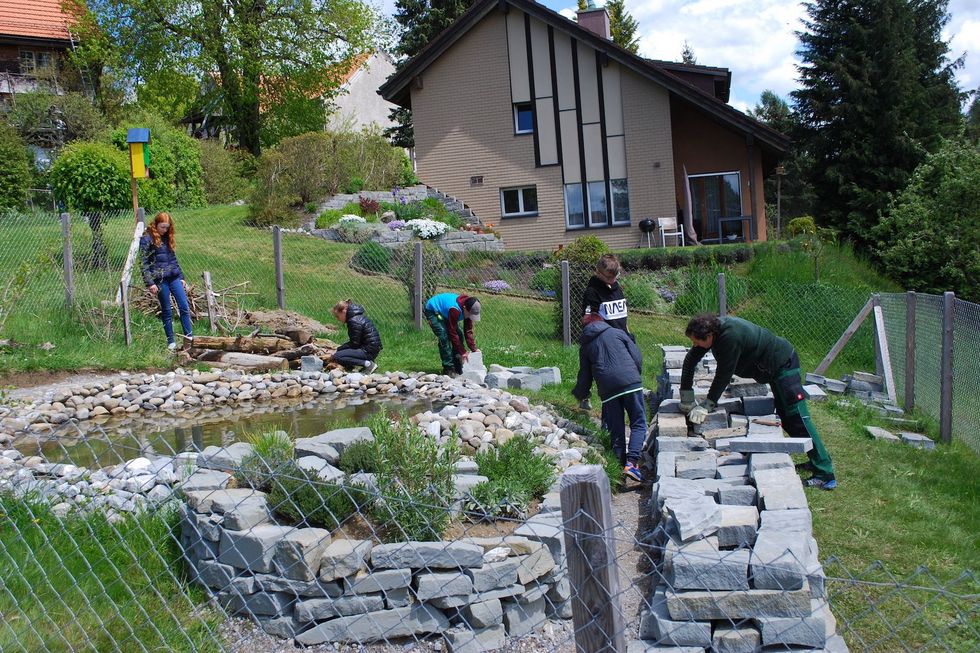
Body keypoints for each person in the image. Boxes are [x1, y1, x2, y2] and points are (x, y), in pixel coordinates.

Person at [679, 314, 837, 490]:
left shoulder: (730, 337)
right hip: (772, 369)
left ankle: (825, 473)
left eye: (696, 342)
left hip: (783, 365)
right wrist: (686, 395)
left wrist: (707, 405)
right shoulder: (713, 331)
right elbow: (690, 360)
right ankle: (814, 460)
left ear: (708, 336)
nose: (695, 346)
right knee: (787, 418)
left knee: (797, 418)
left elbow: (723, 375)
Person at [572, 313, 646, 483]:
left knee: (616, 429)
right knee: (638, 422)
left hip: (608, 390)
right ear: (601, 322)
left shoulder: (585, 347)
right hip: (631, 382)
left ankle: (620, 470)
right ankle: (632, 463)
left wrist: (581, 394)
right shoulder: (617, 332)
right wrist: (634, 374)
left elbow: (585, 376)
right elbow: (637, 357)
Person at [140, 212, 193, 351]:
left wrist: (181, 277)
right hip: (160, 279)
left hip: (174, 276)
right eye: (162, 227)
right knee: (167, 310)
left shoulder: (167, 237)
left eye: (167, 227)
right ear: (156, 224)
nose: (165, 230)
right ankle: (171, 341)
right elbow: (143, 263)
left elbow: (173, 259)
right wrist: (150, 283)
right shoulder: (147, 239)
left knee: (184, 306)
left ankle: (189, 338)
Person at [424, 293, 481, 376]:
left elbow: (468, 330)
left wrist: (473, 348)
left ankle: (458, 366)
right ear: (464, 308)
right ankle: (449, 368)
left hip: (446, 312)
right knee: (444, 336)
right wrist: (462, 351)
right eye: (470, 314)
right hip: (433, 309)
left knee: (460, 335)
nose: (470, 317)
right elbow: (452, 332)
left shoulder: (469, 308)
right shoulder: (455, 309)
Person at [583, 253, 633, 340]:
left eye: (615, 276)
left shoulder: (617, 289)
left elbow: (623, 320)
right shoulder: (592, 292)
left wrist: (629, 336)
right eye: (609, 277)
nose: (613, 280)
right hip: (606, 341)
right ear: (598, 273)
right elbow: (589, 321)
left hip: (624, 338)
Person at [330, 299, 382, 372]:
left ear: (343, 312)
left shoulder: (353, 321)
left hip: (368, 351)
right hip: (372, 348)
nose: (338, 319)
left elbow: (354, 344)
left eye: (337, 316)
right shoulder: (357, 317)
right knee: (341, 353)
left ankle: (368, 364)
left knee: (338, 356)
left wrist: (339, 349)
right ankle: (365, 364)